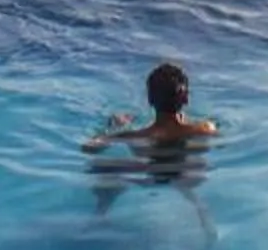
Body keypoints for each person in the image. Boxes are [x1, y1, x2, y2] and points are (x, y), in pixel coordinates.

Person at [85, 62, 218, 237]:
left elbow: (89, 148)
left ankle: (100, 213)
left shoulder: (136, 136)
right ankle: (207, 225)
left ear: (150, 100)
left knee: (106, 170)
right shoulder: (204, 129)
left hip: (146, 171)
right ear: (186, 99)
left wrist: (114, 127)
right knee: (195, 198)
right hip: (186, 176)